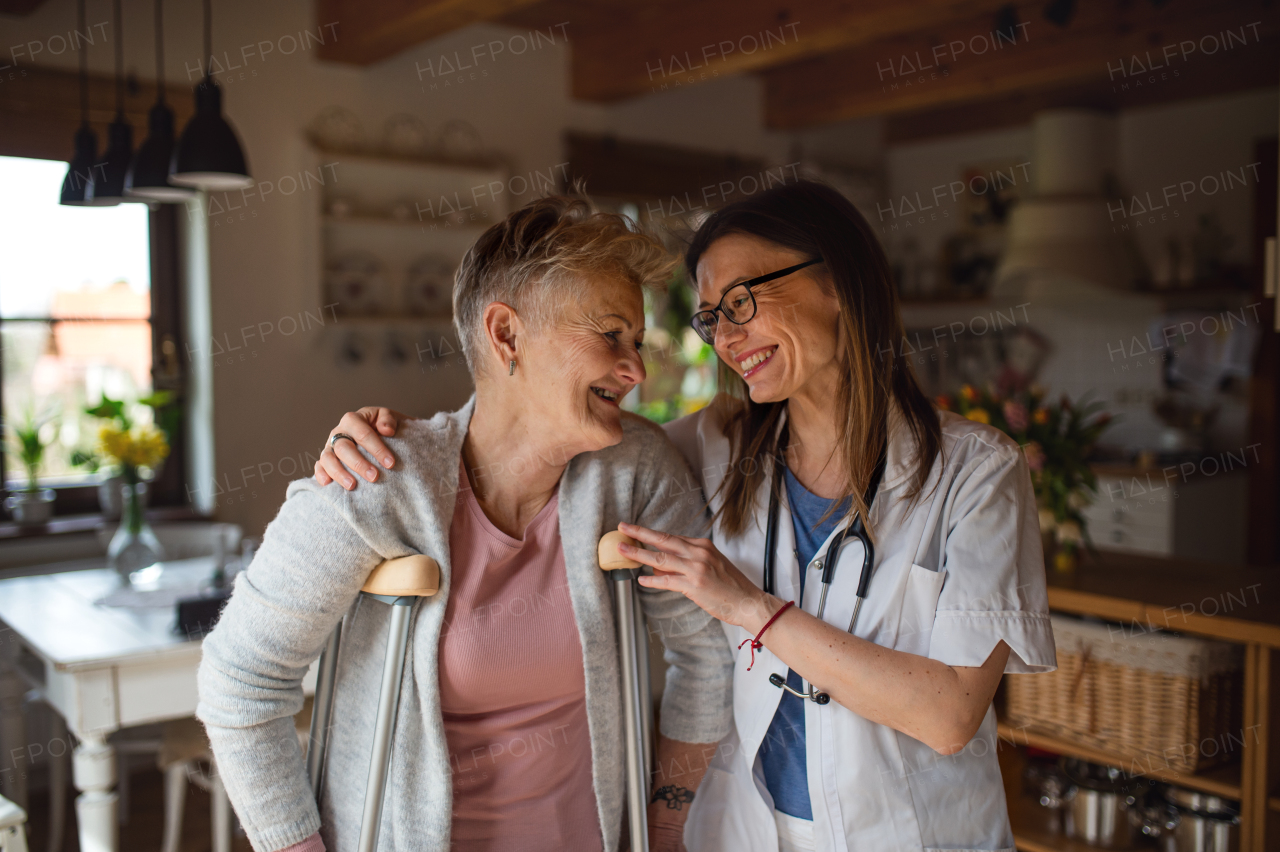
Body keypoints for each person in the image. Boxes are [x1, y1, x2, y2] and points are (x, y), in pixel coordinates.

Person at [317, 180, 1057, 852]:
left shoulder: (975, 473)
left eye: (742, 302)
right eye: (711, 318)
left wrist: (751, 609)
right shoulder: (712, 448)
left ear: (839, 282)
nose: (727, 339)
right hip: (740, 831)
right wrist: (406, 441)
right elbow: (548, 438)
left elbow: (951, 713)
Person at [197, 196, 734, 852]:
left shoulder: (636, 472)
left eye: (637, 342)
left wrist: (666, 828)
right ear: (506, 334)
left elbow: (706, 654)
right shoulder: (375, 481)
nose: (636, 370)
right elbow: (241, 680)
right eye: (610, 335)